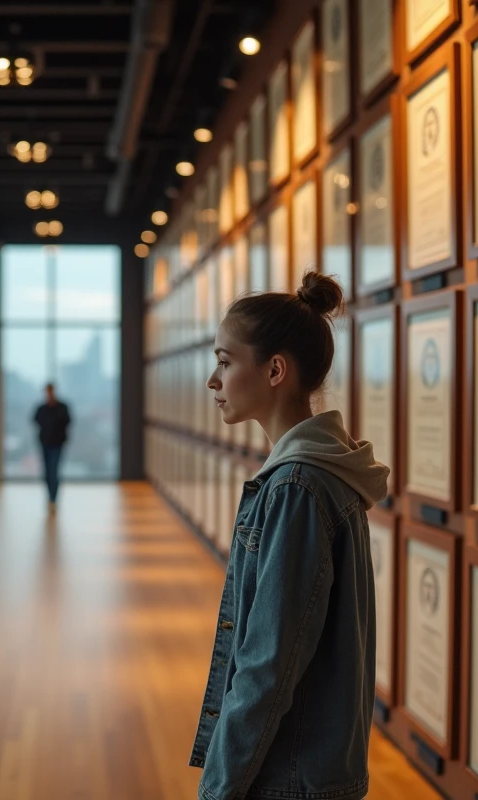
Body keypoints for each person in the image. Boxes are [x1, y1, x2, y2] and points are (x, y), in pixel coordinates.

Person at [191, 272, 389, 800]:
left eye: (226, 361)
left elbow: (266, 666)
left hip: (287, 778)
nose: (213, 380)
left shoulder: (296, 488)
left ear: (275, 369)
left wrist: (217, 789)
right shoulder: (319, 474)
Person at [33, 383, 71, 512]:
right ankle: (50, 497)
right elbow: (35, 421)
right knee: (47, 472)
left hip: (57, 444)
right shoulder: (42, 408)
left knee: (53, 471)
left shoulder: (62, 407)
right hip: (45, 443)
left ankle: (53, 499)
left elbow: (67, 422)